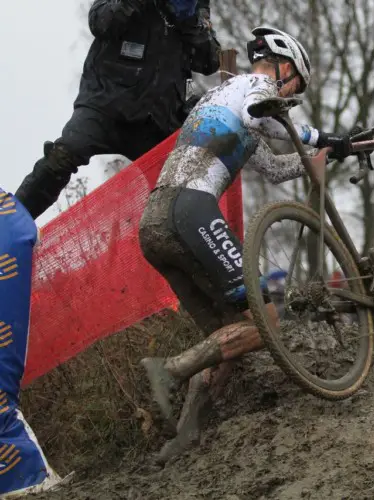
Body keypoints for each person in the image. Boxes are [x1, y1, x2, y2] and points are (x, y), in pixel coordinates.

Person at [138, 25, 354, 463]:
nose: (295, 97)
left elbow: (273, 168)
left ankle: (179, 441)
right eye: (298, 87)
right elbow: (264, 114)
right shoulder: (256, 85)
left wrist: (324, 156)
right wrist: (323, 137)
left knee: (226, 333)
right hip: (190, 212)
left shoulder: (222, 99)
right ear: (286, 69)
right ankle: (170, 371)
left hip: (154, 222)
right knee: (270, 321)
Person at [14, 0, 221, 220]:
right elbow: (101, 22)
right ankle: (10, 226)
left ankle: (166, 250)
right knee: (64, 154)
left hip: (159, 119)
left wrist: (189, 21)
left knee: (175, 197)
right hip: (106, 103)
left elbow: (209, 61)